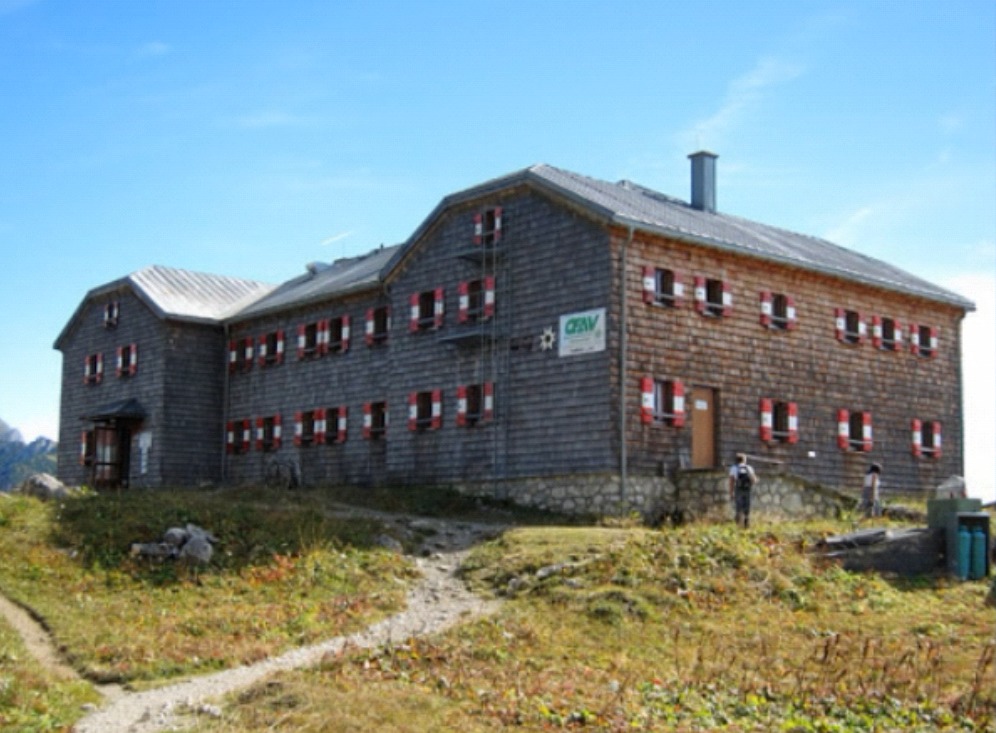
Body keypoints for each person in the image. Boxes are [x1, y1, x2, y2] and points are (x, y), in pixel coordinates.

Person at [728, 453, 757, 529]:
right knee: (747, 507)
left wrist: (731, 493)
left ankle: (738, 524)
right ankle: (746, 524)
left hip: (739, 489)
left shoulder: (734, 468)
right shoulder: (749, 468)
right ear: (744, 460)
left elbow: (731, 481)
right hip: (747, 490)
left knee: (739, 507)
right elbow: (754, 480)